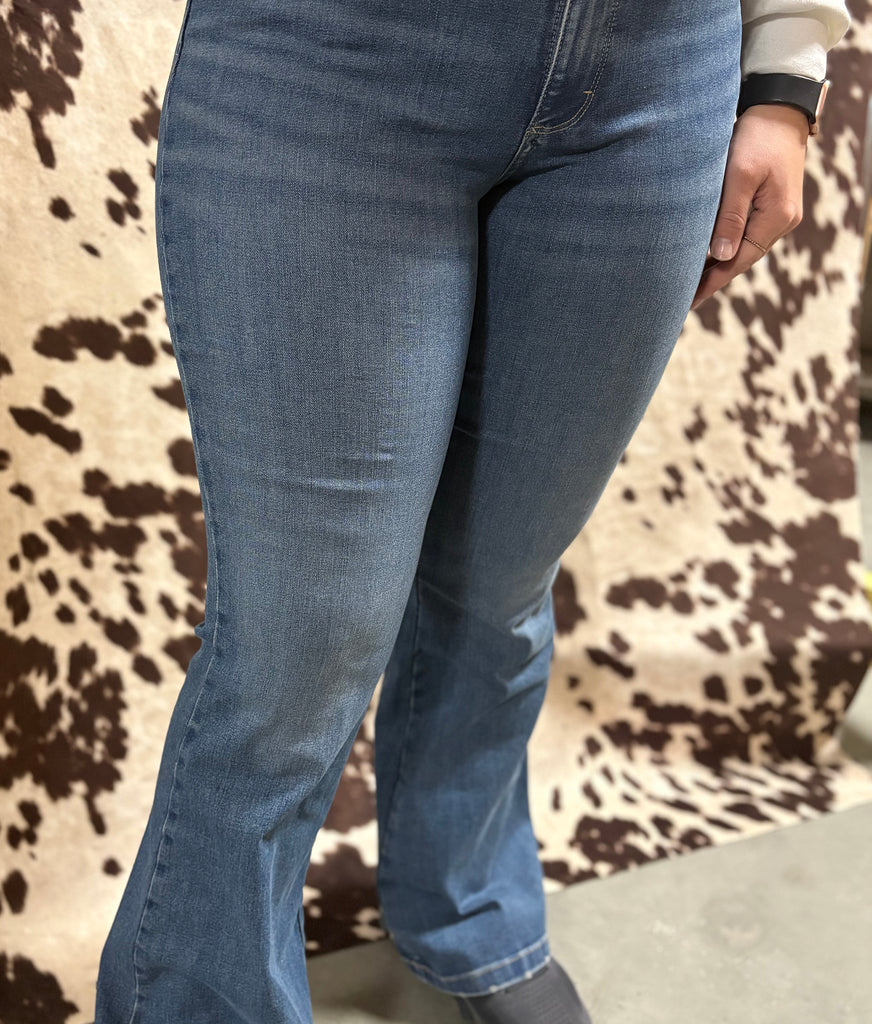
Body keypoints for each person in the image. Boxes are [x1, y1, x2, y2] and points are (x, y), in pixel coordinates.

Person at [95, 1, 852, 1022]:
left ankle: (470, 913)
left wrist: (786, 74)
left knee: (498, 586)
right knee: (299, 645)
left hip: (658, 72)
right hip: (337, 60)